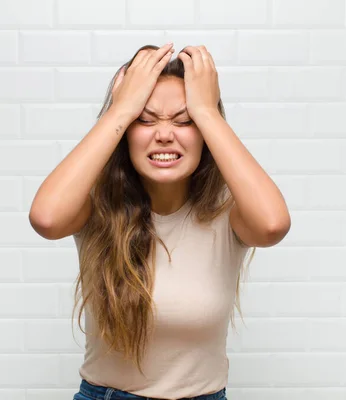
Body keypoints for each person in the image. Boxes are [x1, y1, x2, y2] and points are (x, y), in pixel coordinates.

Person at [29, 43, 291, 400]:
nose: (165, 134)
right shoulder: (95, 205)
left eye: (185, 121)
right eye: (146, 119)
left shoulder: (228, 211)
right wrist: (120, 109)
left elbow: (273, 225)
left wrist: (208, 112)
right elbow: (45, 218)